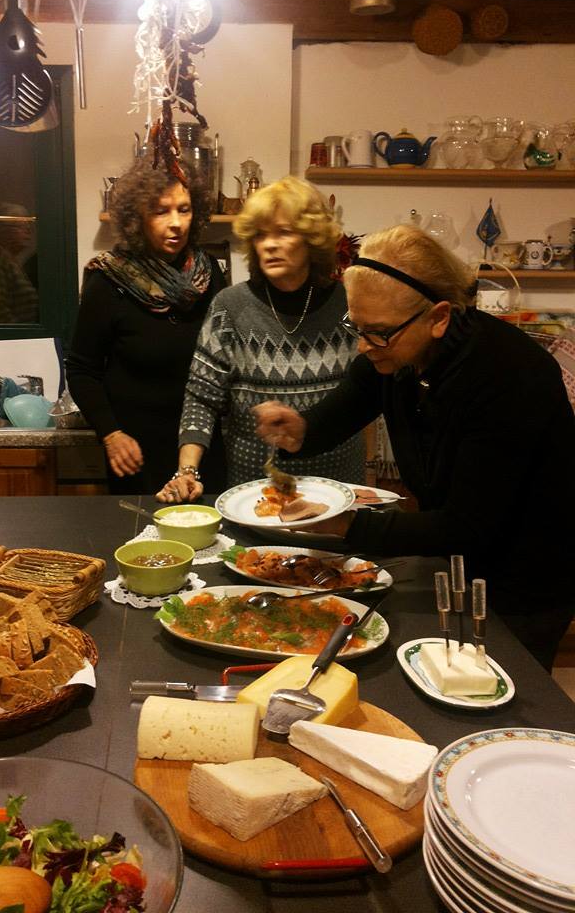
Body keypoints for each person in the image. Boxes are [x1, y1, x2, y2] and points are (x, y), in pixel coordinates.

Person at [253, 224, 575, 670]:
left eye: (378, 332)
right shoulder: (396, 351)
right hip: (457, 558)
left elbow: (467, 524)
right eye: (356, 327)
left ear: (438, 317)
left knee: (502, 682)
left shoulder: (510, 375)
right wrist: (300, 430)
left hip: (528, 577)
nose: (363, 346)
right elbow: (346, 408)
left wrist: (343, 525)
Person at [156, 176, 365, 504]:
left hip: (338, 491)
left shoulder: (349, 304)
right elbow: (201, 397)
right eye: (261, 235)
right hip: (255, 495)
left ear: (311, 239)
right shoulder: (231, 307)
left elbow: (370, 390)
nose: (269, 244)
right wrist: (187, 471)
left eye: (283, 232)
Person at [66, 157, 226, 495]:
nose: (176, 223)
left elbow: (224, 359)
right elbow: (81, 369)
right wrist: (111, 434)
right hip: (136, 450)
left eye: (184, 210)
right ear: (136, 218)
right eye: (160, 211)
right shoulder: (108, 279)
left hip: (203, 442)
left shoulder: (209, 273)